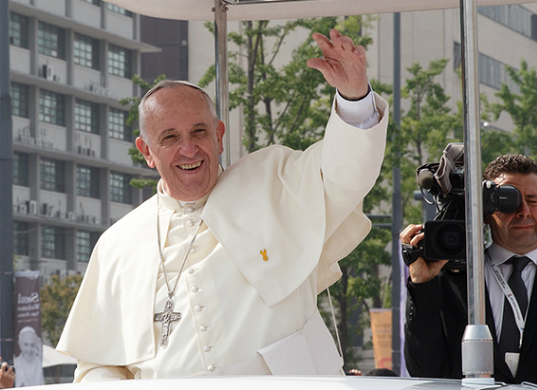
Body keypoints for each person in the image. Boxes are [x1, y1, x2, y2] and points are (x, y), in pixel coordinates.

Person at [56, 29, 388, 381]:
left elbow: (345, 175)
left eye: (199, 132)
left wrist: (354, 95)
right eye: (170, 138)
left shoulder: (273, 181)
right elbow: (97, 364)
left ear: (219, 136)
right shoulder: (116, 245)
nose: (188, 149)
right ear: (146, 152)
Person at [402, 154, 537, 390]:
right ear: (486, 211)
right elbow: (424, 371)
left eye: (532, 200)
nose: (524, 211)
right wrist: (422, 283)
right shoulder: (452, 280)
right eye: (510, 200)